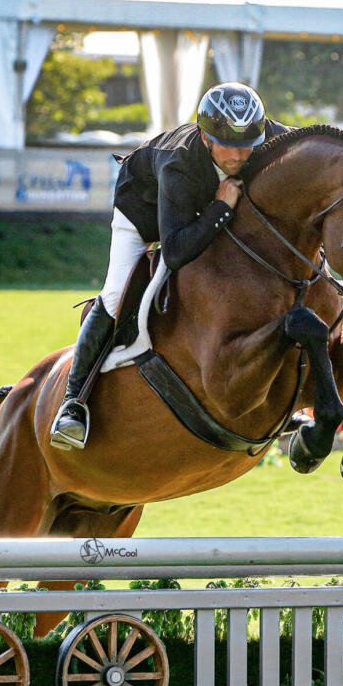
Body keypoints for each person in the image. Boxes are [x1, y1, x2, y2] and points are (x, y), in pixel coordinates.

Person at [50, 82, 290, 449]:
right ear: (206, 138)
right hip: (144, 212)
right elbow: (175, 251)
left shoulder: (263, 136)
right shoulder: (178, 161)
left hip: (206, 209)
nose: (240, 155)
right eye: (228, 144)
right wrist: (222, 207)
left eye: (247, 145)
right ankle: (72, 403)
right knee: (117, 295)